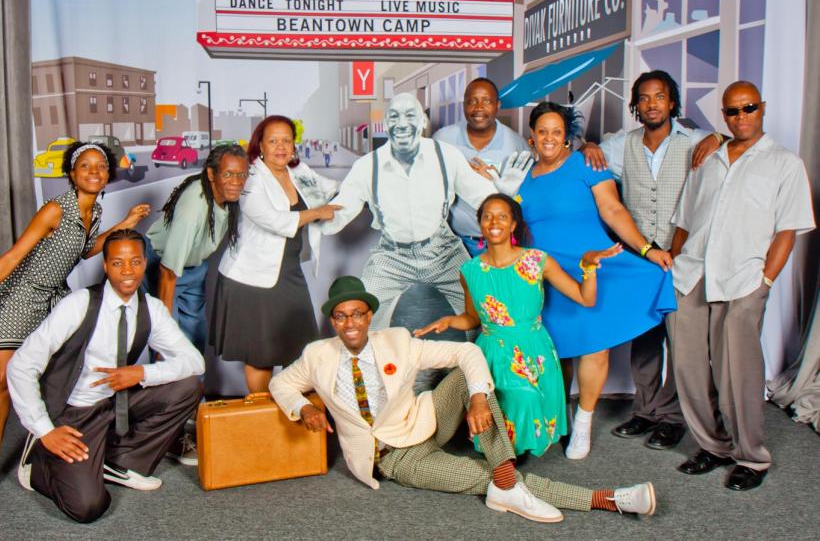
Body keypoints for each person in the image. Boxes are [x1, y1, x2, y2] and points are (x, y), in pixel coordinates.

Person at [270, 276, 658, 523]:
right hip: (395, 459)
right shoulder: (317, 356)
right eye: (341, 316)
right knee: (487, 480)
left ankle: (505, 480)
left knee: (468, 379)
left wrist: (477, 398)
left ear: (370, 316)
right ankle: (607, 499)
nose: (350, 323)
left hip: (425, 422)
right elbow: (280, 384)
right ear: (333, 321)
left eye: (357, 314)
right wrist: (303, 406)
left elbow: (466, 353)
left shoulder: (397, 340)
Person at [0, 142, 149, 509]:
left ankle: (44, 447)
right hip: (22, 296)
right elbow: (13, 257)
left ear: (108, 174)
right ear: (71, 174)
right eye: (85, 166)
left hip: (55, 297)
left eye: (101, 166)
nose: (94, 171)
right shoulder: (55, 209)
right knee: (1, 380)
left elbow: (84, 251)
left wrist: (124, 225)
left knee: (64, 374)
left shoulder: (94, 210)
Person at [668, 81, 814, 491]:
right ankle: (713, 446)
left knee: (737, 373)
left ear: (761, 108)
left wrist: (765, 280)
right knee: (688, 369)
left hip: (743, 278)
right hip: (693, 274)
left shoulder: (785, 163)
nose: (741, 117)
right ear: (724, 115)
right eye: (732, 111)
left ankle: (751, 456)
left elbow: (787, 230)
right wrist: (674, 265)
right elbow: (684, 221)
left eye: (748, 108)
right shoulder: (707, 158)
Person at [6, 229, 204, 523]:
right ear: (105, 266)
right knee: (87, 507)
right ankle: (35, 464)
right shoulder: (79, 304)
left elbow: (195, 362)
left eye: (135, 262)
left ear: (144, 262)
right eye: (118, 263)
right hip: (73, 412)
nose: (128, 271)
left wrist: (141, 372)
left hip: (114, 403)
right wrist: (45, 430)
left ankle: (120, 462)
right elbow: (20, 365)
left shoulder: (150, 308)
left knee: (188, 387)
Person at [515, 102, 676, 460]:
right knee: (556, 349)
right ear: (532, 137)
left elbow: (613, 210)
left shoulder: (587, 163)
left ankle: (584, 422)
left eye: (557, 131)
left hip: (591, 264)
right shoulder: (523, 176)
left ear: (566, 137)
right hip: (548, 274)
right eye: (543, 131)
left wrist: (646, 249)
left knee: (594, 346)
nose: (550, 138)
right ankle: (560, 413)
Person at [414, 194, 622, 457]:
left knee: (526, 400)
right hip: (491, 351)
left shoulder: (537, 261)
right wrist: (449, 321)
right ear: (480, 224)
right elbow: (472, 318)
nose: (494, 222)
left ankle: (512, 454)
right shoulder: (470, 271)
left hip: (532, 348)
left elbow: (585, 298)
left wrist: (588, 266)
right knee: (505, 402)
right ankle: (502, 456)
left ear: (513, 225)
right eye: (487, 217)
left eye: (502, 216)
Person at [580, 70, 723, 450]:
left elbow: (730, 149)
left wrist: (719, 137)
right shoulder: (621, 144)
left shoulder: (695, 140)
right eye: (643, 98)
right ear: (636, 106)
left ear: (672, 102)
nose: (651, 104)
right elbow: (586, 156)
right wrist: (588, 145)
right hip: (640, 257)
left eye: (659, 96)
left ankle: (672, 417)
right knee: (644, 338)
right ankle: (645, 410)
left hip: (682, 256)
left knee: (681, 342)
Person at [321, 93, 530, 332]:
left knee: (481, 311)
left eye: (410, 116)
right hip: (391, 256)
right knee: (362, 316)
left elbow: (482, 196)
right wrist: (319, 215)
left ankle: (475, 357)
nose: (402, 124)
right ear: (386, 124)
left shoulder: (445, 156)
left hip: (443, 250)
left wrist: (504, 193)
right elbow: (341, 210)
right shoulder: (367, 165)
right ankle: (371, 357)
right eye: (394, 117)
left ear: (422, 122)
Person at [210, 115, 341, 393]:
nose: (281, 147)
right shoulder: (250, 177)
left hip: (289, 271)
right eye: (273, 141)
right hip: (251, 279)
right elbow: (275, 220)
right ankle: (263, 413)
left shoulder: (298, 171)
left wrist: (364, 188)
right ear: (260, 144)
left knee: (300, 350)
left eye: (286, 140)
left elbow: (331, 188)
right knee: (261, 356)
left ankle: (289, 407)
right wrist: (318, 212)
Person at [143, 143, 248, 465]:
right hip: (163, 269)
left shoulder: (226, 200)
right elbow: (167, 272)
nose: (236, 181)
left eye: (241, 175)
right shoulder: (194, 206)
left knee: (195, 348)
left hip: (193, 269)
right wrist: (162, 334)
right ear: (211, 174)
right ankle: (168, 436)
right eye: (228, 174)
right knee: (170, 352)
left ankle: (190, 418)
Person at [433, 78, 529, 256]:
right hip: (452, 244)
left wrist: (496, 187)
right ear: (464, 105)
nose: (478, 108)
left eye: (486, 101)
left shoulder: (516, 144)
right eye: (472, 101)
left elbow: (526, 200)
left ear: (497, 105)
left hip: (498, 244)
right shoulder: (442, 139)